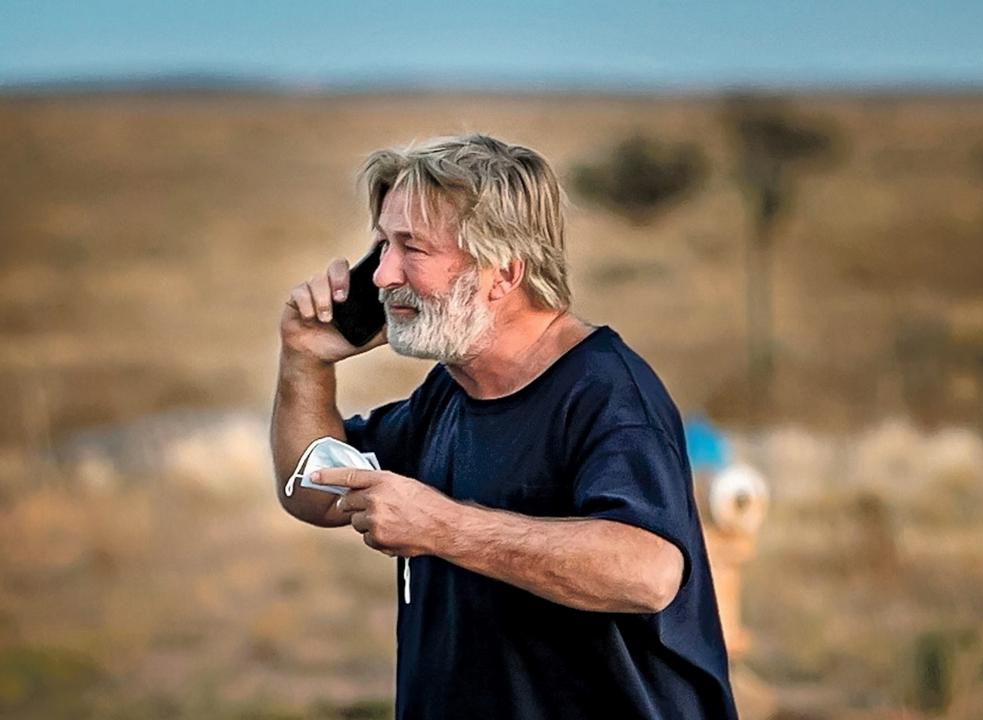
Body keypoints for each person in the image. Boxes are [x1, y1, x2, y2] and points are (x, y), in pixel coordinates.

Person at [270, 134, 738, 720]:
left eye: (411, 248)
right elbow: (312, 490)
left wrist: (440, 526)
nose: (383, 274)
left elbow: (647, 571)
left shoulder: (608, 395)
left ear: (503, 272)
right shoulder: (450, 390)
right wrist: (306, 359)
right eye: (381, 246)